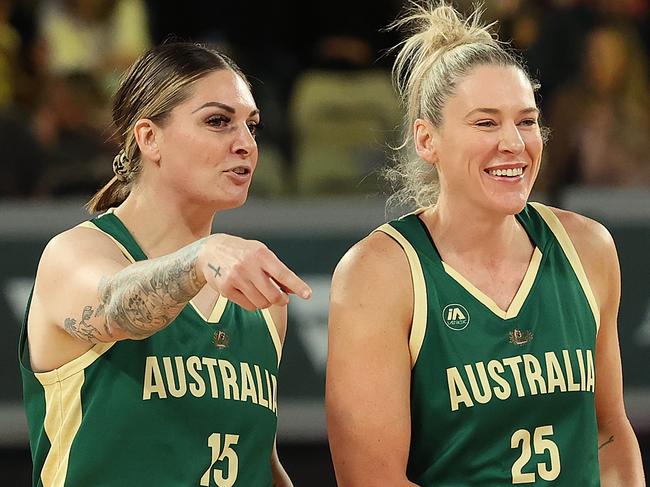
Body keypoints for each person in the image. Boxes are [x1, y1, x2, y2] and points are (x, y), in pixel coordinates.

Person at [326, 2, 645, 486]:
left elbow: (609, 434)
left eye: (526, 120)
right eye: (485, 123)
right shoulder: (381, 272)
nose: (514, 143)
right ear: (426, 140)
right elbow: (372, 479)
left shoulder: (588, 247)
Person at [19, 42, 311, 486]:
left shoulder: (260, 297)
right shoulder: (75, 254)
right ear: (149, 137)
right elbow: (118, 308)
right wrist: (198, 257)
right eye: (218, 122)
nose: (245, 144)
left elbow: (259, 462)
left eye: (252, 126)